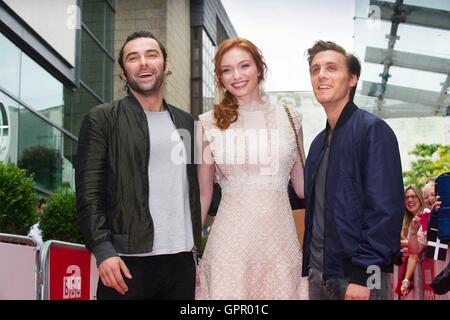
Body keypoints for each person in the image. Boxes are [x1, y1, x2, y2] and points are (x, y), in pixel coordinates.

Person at [75, 31, 201, 300]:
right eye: (133, 58)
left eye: (151, 54)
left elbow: (201, 187)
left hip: (182, 262)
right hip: (126, 263)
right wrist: (103, 251)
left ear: (166, 66)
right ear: (122, 72)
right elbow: (89, 194)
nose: (143, 62)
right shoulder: (102, 119)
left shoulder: (188, 123)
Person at [195, 38, 309, 299]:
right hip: (229, 245)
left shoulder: (291, 118)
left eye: (244, 65)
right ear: (220, 78)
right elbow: (203, 194)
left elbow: (304, 187)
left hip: (279, 243)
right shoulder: (205, 123)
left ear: (260, 67)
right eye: (226, 70)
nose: (236, 76)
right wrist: (190, 250)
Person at [302, 40, 404, 300]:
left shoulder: (372, 131)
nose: (321, 75)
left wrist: (364, 275)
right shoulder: (317, 144)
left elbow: (386, 210)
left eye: (331, 68)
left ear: (352, 79)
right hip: (319, 276)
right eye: (315, 70)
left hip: (359, 277)